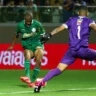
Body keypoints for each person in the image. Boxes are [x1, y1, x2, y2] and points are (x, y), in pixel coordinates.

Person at [34, 5, 96, 93]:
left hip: (71, 51)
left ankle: (42, 82)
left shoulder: (71, 20)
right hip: (83, 50)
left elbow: (60, 28)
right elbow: (94, 27)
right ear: (87, 13)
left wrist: (50, 34)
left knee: (58, 69)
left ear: (78, 13)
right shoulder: (90, 21)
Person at [8, 11, 45, 88]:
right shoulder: (20, 25)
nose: (28, 23)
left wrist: (41, 40)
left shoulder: (37, 24)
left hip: (37, 44)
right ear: (24, 19)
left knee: (39, 58)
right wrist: (12, 45)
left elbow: (43, 34)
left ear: (32, 19)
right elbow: (16, 35)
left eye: (30, 21)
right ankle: (27, 77)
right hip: (27, 46)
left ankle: (33, 80)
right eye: (27, 21)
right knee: (27, 55)